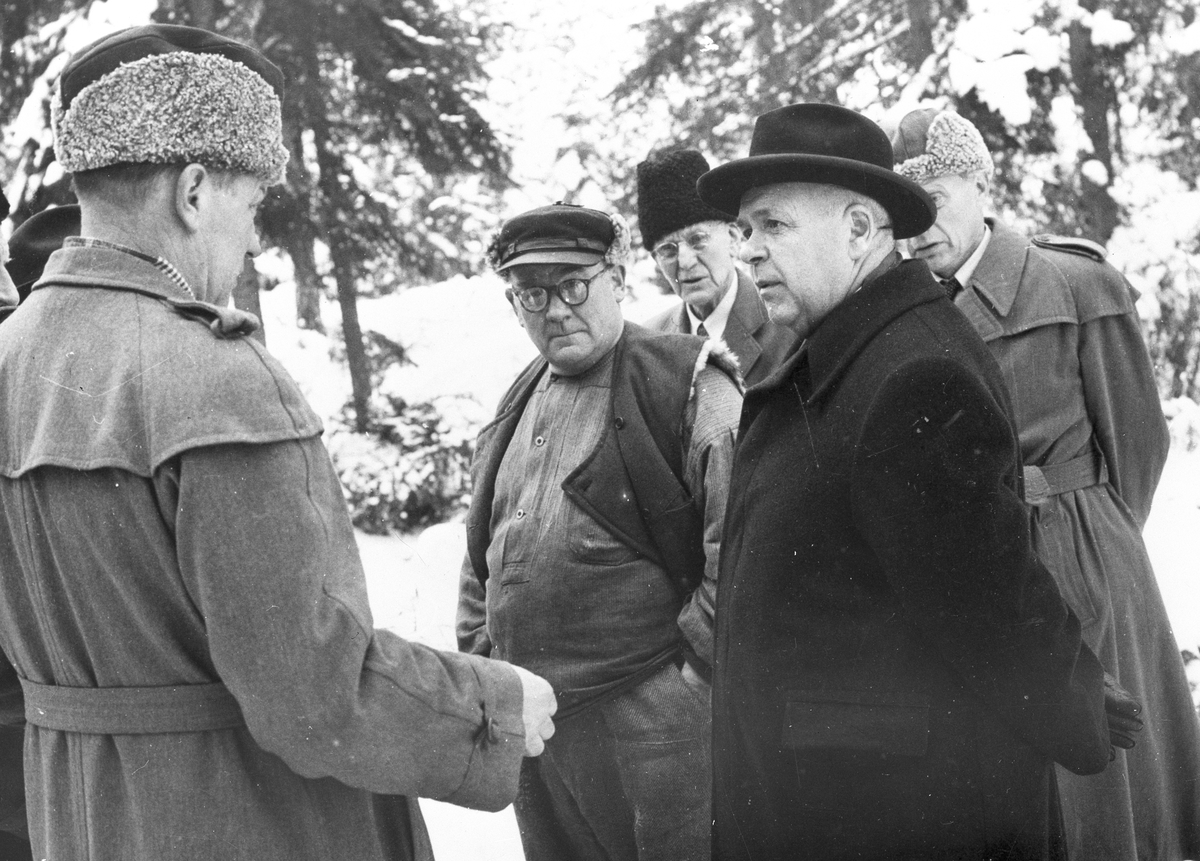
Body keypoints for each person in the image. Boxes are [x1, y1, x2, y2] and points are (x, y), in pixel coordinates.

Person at [0, 24, 556, 861]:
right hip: (251, 821)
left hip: (81, 820)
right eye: (253, 204)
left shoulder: (10, 356)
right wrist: (493, 704)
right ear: (193, 192)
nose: (256, 240)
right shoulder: (213, 375)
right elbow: (314, 691)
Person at [696, 102, 1124, 860]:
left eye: (773, 225)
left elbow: (990, 603)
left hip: (895, 815)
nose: (749, 251)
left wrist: (1076, 701)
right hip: (837, 802)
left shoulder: (912, 372)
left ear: (861, 229)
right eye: (744, 229)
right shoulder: (843, 351)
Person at [890, 106, 1200, 860]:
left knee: (1110, 781)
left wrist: (1088, 537)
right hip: (974, 569)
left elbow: (1138, 442)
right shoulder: (905, 310)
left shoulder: (1076, 283)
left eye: (938, 198)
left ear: (980, 183)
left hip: (1080, 550)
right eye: (907, 211)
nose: (921, 227)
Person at [456, 202, 742, 860]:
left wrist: (689, 680)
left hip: (653, 729)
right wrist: (486, 660)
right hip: (537, 729)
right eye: (532, 293)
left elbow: (739, 546)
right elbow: (481, 553)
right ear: (514, 305)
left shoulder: (687, 381)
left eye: (573, 285)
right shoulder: (516, 399)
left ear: (617, 277)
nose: (555, 309)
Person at [637, 148, 793, 385]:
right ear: (656, 260)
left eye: (697, 239)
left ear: (733, 238)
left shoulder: (786, 324)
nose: (685, 262)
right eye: (668, 250)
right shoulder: (649, 343)